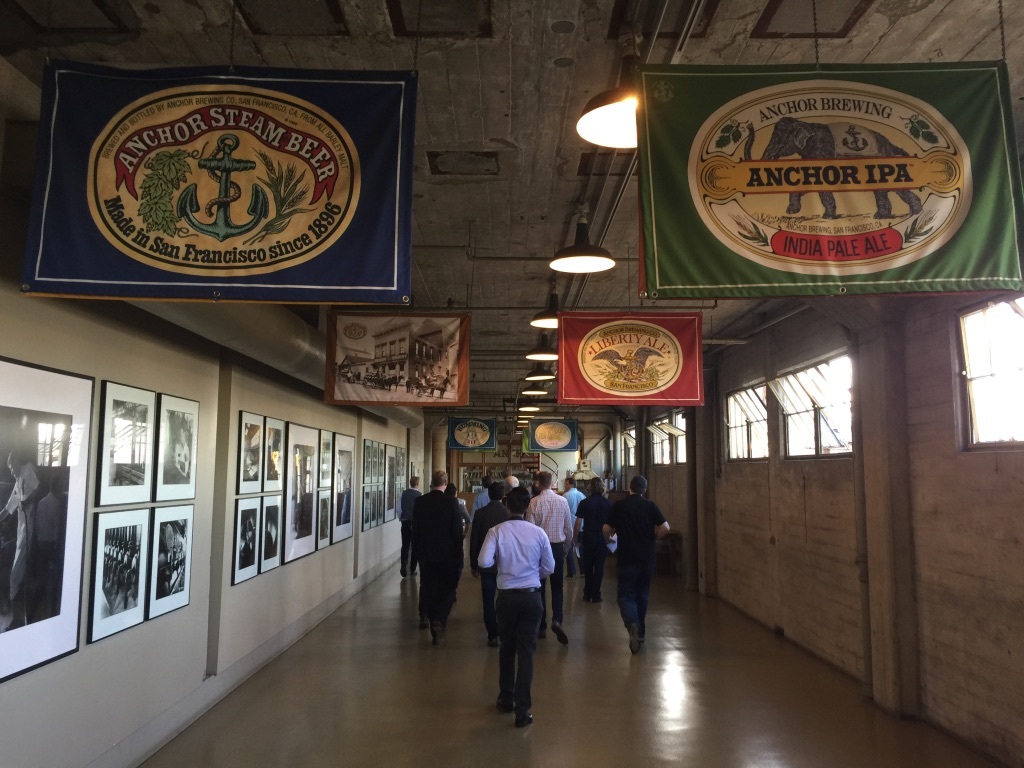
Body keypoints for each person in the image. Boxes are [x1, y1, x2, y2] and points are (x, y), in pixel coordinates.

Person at [478, 486, 554, 728]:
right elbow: (549, 567)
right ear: (527, 506)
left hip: (507, 597)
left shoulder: (496, 532)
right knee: (527, 653)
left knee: (507, 649)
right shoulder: (538, 533)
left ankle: (506, 698)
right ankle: (523, 710)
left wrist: (503, 569)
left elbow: (483, 561)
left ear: (507, 506)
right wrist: (532, 576)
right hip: (532, 597)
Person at [603, 475, 669, 654]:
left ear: (629, 488)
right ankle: (640, 633)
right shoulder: (650, 506)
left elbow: (606, 529)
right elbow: (666, 527)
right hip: (647, 557)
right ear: (644, 489)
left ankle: (632, 623)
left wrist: (609, 540)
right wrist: (654, 538)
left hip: (627, 557)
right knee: (642, 594)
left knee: (625, 595)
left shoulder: (620, 506)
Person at [412, 471, 464, 645]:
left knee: (428, 588)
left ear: (431, 482)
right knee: (448, 589)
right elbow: (456, 531)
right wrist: (459, 554)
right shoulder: (451, 502)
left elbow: (415, 530)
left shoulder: (420, 502)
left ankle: (432, 620)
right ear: (446, 482)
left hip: (426, 554)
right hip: (447, 554)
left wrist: (417, 552)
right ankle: (439, 619)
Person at [525, 471, 572, 645]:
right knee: (558, 586)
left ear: (538, 484)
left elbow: (529, 530)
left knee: (540, 586)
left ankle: (542, 625)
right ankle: (557, 619)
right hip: (557, 546)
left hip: (539, 549)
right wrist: (567, 547)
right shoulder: (563, 501)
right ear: (552, 483)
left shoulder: (534, 502)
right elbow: (568, 528)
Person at [468, 482, 508, 646]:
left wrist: (474, 564)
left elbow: (475, 540)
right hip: (506, 563)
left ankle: (492, 634)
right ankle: (505, 630)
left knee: (488, 599)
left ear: (489, 495)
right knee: (505, 599)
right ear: (503, 495)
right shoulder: (507, 513)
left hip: (486, 563)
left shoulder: (480, 513)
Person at [574, 477, 612, 603]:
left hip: (588, 536)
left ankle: (587, 592)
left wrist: (575, 537)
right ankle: (596, 594)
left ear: (590, 487)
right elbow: (612, 523)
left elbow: (578, 522)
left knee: (588, 565)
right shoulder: (608, 503)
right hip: (602, 536)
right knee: (599, 567)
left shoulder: (585, 502)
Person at [561, 476, 586, 579]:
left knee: (569, 549)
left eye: (566, 484)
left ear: (571, 484)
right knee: (581, 548)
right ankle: (583, 571)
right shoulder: (582, 495)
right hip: (581, 525)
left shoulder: (565, 496)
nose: (565, 485)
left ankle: (571, 572)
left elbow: (563, 512)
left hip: (570, 525)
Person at [398, 476, 421, 578]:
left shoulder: (403, 493)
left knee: (405, 544)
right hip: (415, 523)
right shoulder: (420, 495)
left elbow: (398, 508)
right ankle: (412, 569)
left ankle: (403, 562)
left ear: (410, 483)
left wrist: (401, 517)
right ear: (417, 484)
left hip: (405, 521)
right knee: (415, 545)